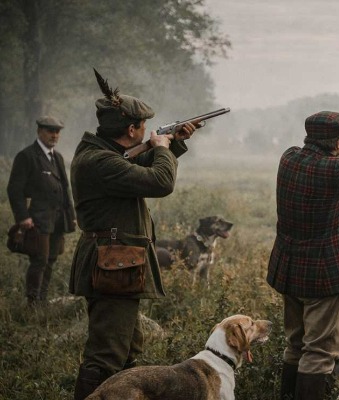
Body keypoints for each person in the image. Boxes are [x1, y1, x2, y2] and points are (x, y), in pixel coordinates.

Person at [70, 72, 197, 399]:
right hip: (112, 266)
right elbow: (159, 182)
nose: (145, 130)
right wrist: (162, 147)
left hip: (119, 264)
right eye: (142, 126)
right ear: (131, 130)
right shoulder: (100, 162)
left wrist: (174, 142)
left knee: (128, 351)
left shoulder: (103, 154)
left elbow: (139, 167)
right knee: (106, 356)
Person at [267, 111, 339, 400]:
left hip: (290, 266)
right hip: (325, 272)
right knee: (320, 352)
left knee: (295, 344)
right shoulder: (337, 169)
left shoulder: (289, 157)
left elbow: (321, 162)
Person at [7, 116, 77, 306]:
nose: (54, 135)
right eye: (50, 131)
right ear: (39, 132)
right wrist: (23, 217)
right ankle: (32, 303)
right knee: (39, 260)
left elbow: (65, 188)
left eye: (57, 132)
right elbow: (14, 190)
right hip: (37, 219)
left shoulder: (58, 157)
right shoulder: (27, 156)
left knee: (52, 259)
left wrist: (70, 217)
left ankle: (42, 300)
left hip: (57, 220)